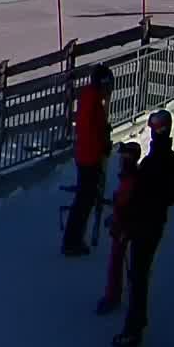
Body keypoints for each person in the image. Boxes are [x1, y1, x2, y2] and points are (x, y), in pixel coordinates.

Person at [114, 109, 174, 347]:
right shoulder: (167, 159)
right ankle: (137, 321)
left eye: (156, 127)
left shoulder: (157, 161)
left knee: (138, 275)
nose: (153, 131)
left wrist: (145, 193)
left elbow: (148, 194)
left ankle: (133, 330)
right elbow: (172, 196)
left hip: (145, 223)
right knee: (140, 273)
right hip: (153, 222)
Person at [63, 65, 114, 256]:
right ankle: (72, 241)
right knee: (85, 200)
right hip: (89, 156)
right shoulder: (92, 102)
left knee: (86, 198)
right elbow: (91, 130)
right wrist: (102, 144)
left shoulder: (91, 98)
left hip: (87, 154)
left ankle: (74, 238)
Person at [96, 142, 144, 314]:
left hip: (125, 225)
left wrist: (119, 220)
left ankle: (114, 296)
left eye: (124, 157)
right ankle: (117, 294)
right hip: (125, 222)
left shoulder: (131, 178)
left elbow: (127, 204)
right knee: (118, 260)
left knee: (117, 260)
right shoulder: (129, 176)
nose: (121, 160)